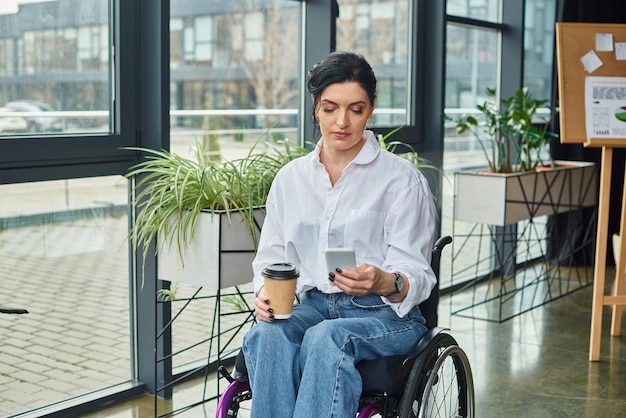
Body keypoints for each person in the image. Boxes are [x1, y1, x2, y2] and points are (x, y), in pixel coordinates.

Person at [241, 50, 437, 418]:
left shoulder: (401, 181)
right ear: (315, 107)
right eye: (330, 108)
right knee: (267, 335)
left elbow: (418, 275)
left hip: (385, 316)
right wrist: (264, 293)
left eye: (356, 109)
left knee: (326, 338)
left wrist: (384, 281)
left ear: (372, 108)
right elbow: (271, 256)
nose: (342, 121)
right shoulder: (291, 179)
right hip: (314, 305)